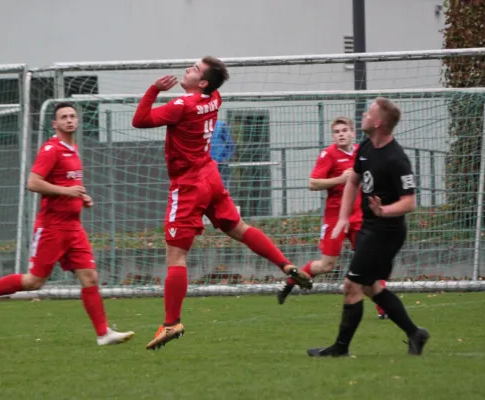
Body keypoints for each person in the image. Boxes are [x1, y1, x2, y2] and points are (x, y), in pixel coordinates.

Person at [132, 56, 312, 350]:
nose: (188, 69)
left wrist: (154, 90)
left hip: (188, 185)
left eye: (195, 69)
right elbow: (208, 89)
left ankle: (171, 323)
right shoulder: (215, 98)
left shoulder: (182, 106)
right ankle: (285, 264)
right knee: (239, 228)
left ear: (202, 82)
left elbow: (139, 121)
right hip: (211, 176)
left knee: (176, 257)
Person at [0, 103, 135, 346]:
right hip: (52, 227)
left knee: (90, 277)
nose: (69, 120)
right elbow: (33, 183)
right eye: (63, 117)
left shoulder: (73, 149)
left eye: (73, 116)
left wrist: (82, 197)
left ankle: (103, 333)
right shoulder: (51, 149)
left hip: (74, 228)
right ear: (55, 124)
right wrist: (67, 191)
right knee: (34, 281)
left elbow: (69, 186)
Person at [306, 97, 429, 357]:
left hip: (387, 233)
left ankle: (340, 348)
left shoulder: (396, 159)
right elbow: (353, 181)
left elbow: (410, 202)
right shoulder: (365, 147)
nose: (363, 114)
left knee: (351, 285)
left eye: (369, 111)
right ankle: (415, 333)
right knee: (371, 287)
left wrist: (384, 211)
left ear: (379, 122)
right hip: (368, 228)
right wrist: (341, 218)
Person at [277, 117, 388, 319]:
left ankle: (384, 309)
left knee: (371, 262)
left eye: (345, 130)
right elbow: (312, 183)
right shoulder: (328, 155)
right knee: (327, 265)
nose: (341, 134)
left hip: (360, 218)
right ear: (333, 136)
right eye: (337, 131)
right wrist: (340, 179)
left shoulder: (362, 153)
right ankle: (292, 281)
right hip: (335, 219)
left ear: (353, 133)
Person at [209, 120, 236, 190]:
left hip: (218, 162)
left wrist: (226, 157)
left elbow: (231, 144)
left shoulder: (220, 125)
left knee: (220, 187)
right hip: (208, 163)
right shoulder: (220, 125)